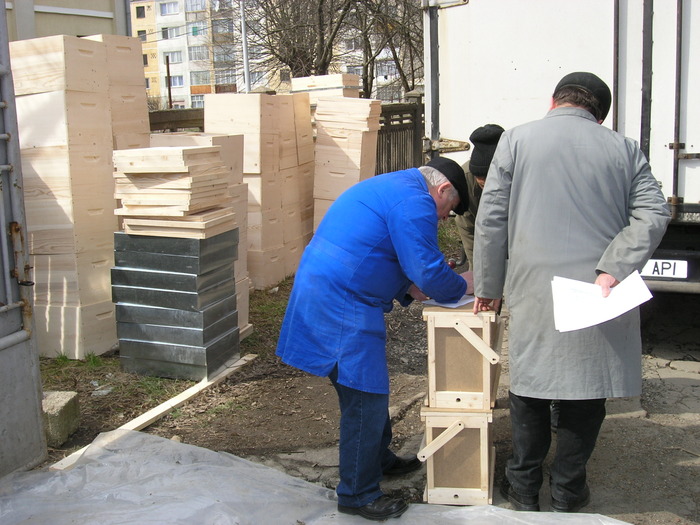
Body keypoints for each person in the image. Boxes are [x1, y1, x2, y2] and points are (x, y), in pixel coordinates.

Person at [472, 72, 670, 513]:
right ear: (600, 113)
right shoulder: (623, 148)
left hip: (533, 287)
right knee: (586, 390)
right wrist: (614, 267)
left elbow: (491, 221)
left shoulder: (517, 141)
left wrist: (488, 287)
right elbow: (655, 212)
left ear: (554, 100)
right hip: (597, 293)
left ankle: (523, 489)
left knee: (530, 388)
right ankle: (567, 491)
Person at [276, 157, 472, 521]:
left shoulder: (398, 186)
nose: (444, 219)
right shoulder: (414, 201)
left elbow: (381, 251)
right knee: (364, 397)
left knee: (369, 389)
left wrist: (415, 286)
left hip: (332, 288)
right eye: (449, 210)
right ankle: (357, 493)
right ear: (443, 189)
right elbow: (426, 270)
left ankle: (377, 459)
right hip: (340, 300)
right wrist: (464, 285)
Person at [454, 124, 505, 269]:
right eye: (481, 181)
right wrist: (476, 272)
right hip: (482, 234)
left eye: (490, 181)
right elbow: (468, 228)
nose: (484, 185)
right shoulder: (465, 179)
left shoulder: (522, 175)